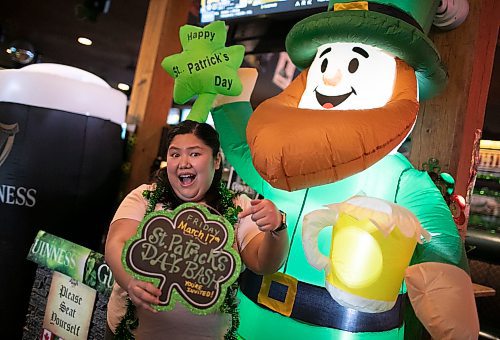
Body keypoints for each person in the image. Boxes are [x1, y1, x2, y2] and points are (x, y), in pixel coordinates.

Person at [104, 120, 289, 339]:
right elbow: (117, 243)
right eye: (175, 154)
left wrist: (277, 227)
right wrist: (130, 282)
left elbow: (262, 262)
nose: (183, 163)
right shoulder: (146, 198)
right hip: (129, 333)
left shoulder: (238, 207)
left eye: (194, 154)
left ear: (217, 160)